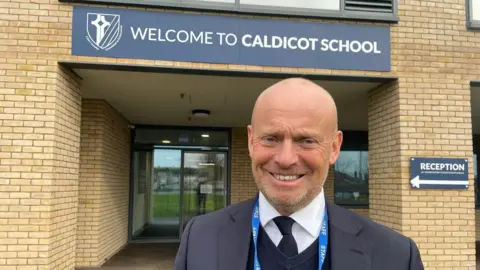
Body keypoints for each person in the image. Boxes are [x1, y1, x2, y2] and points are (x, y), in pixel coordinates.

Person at [174, 78, 424, 270]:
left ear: (335, 148)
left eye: (306, 141)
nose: (285, 159)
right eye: (271, 138)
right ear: (251, 141)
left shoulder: (396, 256)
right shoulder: (199, 238)